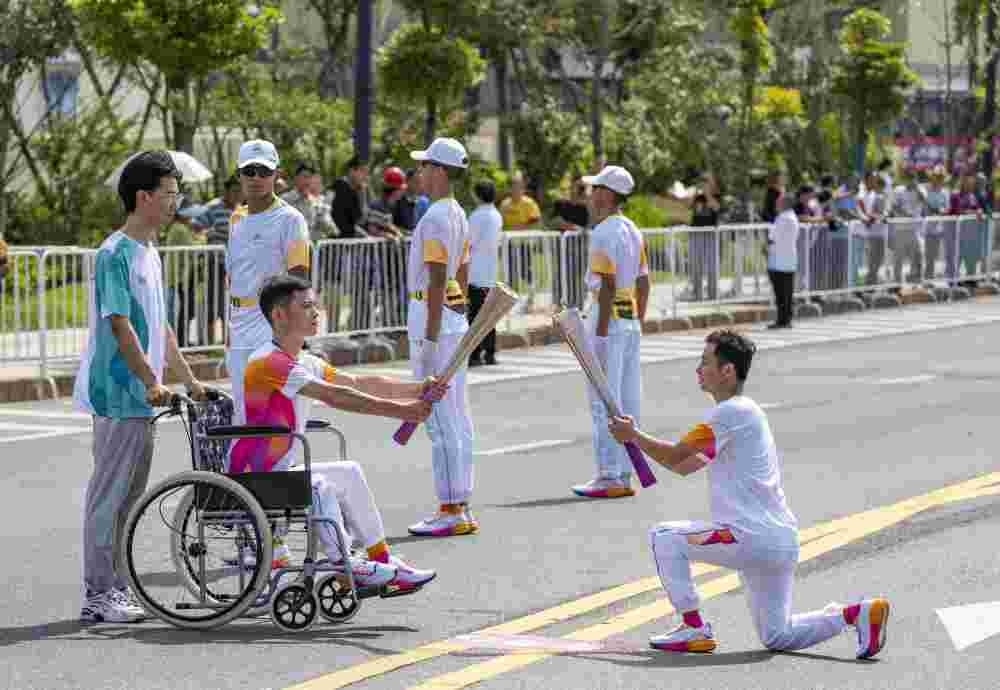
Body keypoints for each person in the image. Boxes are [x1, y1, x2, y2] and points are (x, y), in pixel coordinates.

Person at [608, 329, 889, 659]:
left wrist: (634, 436)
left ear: (727, 370)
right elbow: (684, 466)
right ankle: (856, 614)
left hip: (748, 537)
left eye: (705, 362)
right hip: (778, 541)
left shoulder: (729, 413)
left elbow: (675, 456)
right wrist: (633, 438)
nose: (698, 369)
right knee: (777, 635)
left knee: (664, 537)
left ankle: (693, 627)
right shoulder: (745, 413)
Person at [230, 275, 440, 591]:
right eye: (306, 306)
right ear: (279, 314)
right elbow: (335, 396)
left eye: (315, 305)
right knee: (318, 486)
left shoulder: (304, 361)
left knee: (349, 471)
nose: (316, 312)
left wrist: (418, 388)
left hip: (280, 472)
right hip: (255, 476)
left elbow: (356, 384)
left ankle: (382, 559)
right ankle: (345, 565)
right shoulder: (268, 362)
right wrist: (403, 411)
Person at [73, 151, 208, 623]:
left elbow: (160, 324)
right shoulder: (114, 253)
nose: (175, 203)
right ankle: (98, 594)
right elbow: (120, 324)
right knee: (109, 496)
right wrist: (151, 381)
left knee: (130, 496)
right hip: (117, 392)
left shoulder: (150, 252)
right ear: (144, 197)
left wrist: (189, 379)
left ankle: (117, 586)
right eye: (169, 194)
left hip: (144, 395)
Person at [405, 137, 477, 537]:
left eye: (425, 165)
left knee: (441, 418)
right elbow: (461, 272)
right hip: (450, 318)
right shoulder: (457, 212)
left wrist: (431, 339)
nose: (420, 172)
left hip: (432, 319)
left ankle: (451, 508)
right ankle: (460, 501)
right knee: (457, 414)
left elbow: (436, 279)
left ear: (440, 171)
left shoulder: (435, 216)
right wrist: (457, 313)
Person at [571, 165, 650, 499]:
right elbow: (644, 283)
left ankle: (608, 475)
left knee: (603, 400)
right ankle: (625, 472)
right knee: (628, 399)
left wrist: (601, 335)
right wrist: (638, 322)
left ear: (607, 194)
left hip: (608, 320)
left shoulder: (604, 232)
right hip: (629, 318)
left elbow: (606, 286)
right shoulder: (633, 230)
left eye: (595, 189)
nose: (591, 196)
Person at [467, 179, 504, 367]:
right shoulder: (496, 215)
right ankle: (490, 352)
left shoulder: (476, 216)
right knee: (489, 314)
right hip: (490, 271)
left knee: (475, 315)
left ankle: (474, 354)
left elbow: (468, 241)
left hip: (475, 271)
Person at [767, 193, 799, 329]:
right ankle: (786, 319)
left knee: (781, 292)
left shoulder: (783, 218)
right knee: (787, 292)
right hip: (788, 259)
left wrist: (766, 245)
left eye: (778, 202)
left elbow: (773, 237)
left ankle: (782, 320)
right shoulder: (792, 217)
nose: (776, 204)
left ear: (783, 204)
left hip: (779, 259)